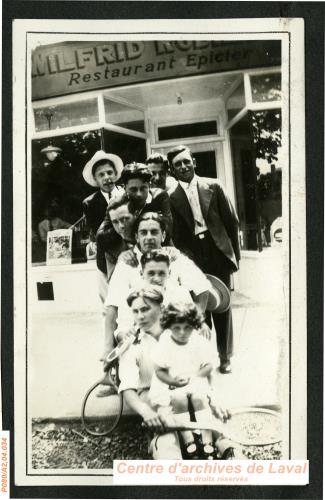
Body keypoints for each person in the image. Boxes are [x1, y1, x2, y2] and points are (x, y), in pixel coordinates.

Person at [118, 285, 240, 460]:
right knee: (168, 442)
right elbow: (127, 388)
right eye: (135, 311)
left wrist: (215, 399)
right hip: (155, 399)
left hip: (192, 391)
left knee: (216, 426)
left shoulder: (184, 331)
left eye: (145, 309)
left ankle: (229, 454)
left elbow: (206, 370)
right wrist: (146, 412)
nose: (140, 316)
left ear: (161, 308)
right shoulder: (132, 346)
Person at [167, 145, 241, 374]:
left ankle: (225, 356)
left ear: (194, 162)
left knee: (222, 304)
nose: (183, 166)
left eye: (186, 161)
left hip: (217, 249)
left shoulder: (214, 186)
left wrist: (233, 258)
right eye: (178, 164)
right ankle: (204, 356)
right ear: (173, 169)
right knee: (199, 306)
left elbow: (232, 222)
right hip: (192, 254)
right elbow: (175, 235)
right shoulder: (171, 198)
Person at [102, 212, 212, 358]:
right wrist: (108, 348)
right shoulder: (127, 263)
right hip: (139, 334)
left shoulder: (175, 258)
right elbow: (113, 306)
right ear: (136, 237)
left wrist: (197, 319)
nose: (149, 237)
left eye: (154, 232)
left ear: (163, 235)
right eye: (143, 233)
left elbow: (202, 288)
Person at [149, 301, 217, 459]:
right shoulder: (165, 343)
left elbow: (209, 366)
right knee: (179, 401)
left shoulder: (198, 341)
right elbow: (159, 370)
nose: (182, 332)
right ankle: (188, 439)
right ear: (169, 326)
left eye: (187, 327)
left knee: (200, 399)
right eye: (176, 328)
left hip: (195, 378)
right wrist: (172, 382)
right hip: (173, 382)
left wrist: (194, 376)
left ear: (194, 325)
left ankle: (207, 441)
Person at [99, 161, 173, 247]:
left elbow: (168, 231)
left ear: (149, 185)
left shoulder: (160, 196)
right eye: (133, 190)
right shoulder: (117, 203)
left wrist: (129, 226)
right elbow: (101, 235)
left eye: (143, 188)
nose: (139, 194)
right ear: (125, 188)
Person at [82, 150, 124, 302]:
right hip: (106, 256)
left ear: (116, 173)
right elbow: (98, 233)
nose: (107, 178)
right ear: (95, 179)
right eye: (101, 175)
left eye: (109, 172)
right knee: (110, 301)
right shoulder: (90, 203)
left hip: (130, 252)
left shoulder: (127, 195)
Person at [96, 194, 136, 281]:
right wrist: (120, 262)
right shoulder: (111, 247)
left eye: (125, 219)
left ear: (135, 215)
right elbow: (113, 285)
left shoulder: (150, 232)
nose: (121, 226)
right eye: (115, 222)